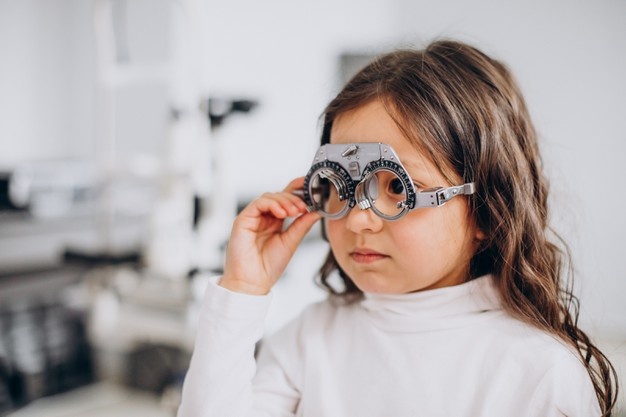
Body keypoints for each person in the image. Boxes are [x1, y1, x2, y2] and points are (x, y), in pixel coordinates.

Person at [177, 39, 619, 416]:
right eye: (340, 183)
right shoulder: (310, 340)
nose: (358, 218)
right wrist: (242, 290)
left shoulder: (537, 371)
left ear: (485, 210)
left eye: (397, 187)